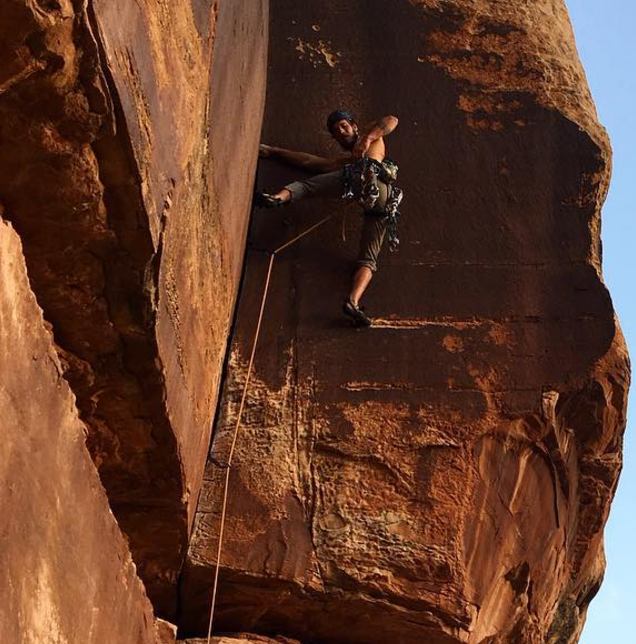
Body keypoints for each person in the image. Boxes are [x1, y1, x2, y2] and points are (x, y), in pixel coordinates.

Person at [257, 109, 401, 327]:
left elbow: (392, 120)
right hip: (379, 203)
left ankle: (279, 197)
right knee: (368, 261)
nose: (341, 132)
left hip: (373, 181)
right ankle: (352, 302)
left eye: (344, 126)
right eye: (336, 132)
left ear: (354, 125)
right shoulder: (346, 162)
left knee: (308, 187)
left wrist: (367, 139)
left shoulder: (372, 139)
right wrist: (275, 151)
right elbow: (310, 162)